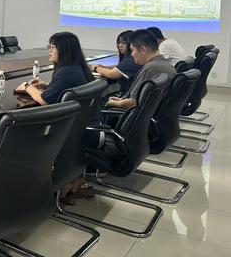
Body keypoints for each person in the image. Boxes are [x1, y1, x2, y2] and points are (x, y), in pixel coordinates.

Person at [16, 32, 96, 205]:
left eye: (53, 48)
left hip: (76, 132)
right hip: (84, 127)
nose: (49, 51)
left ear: (65, 50)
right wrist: (48, 85)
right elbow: (63, 90)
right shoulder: (76, 67)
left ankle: (60, 184)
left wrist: (27, 86)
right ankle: (73, 181)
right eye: (49, 47)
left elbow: (45, 100)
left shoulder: (66, 71)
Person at [105, 29, 176, 110]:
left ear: (143, 50)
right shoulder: (167, 65)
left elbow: (133, 103)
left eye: (132, 50)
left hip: (135, 114)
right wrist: (121, 100)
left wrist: (113, 103)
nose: (132, 54)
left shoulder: (150, 69)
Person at [90, 30, 142, 96]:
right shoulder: (131, 59)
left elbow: (111, 74)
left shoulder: (131, 60)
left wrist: (96, 68)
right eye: (119, 43)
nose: (120, 46)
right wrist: (105, 67)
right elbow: (121, 66)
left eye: (124, 43)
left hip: (126, 96)